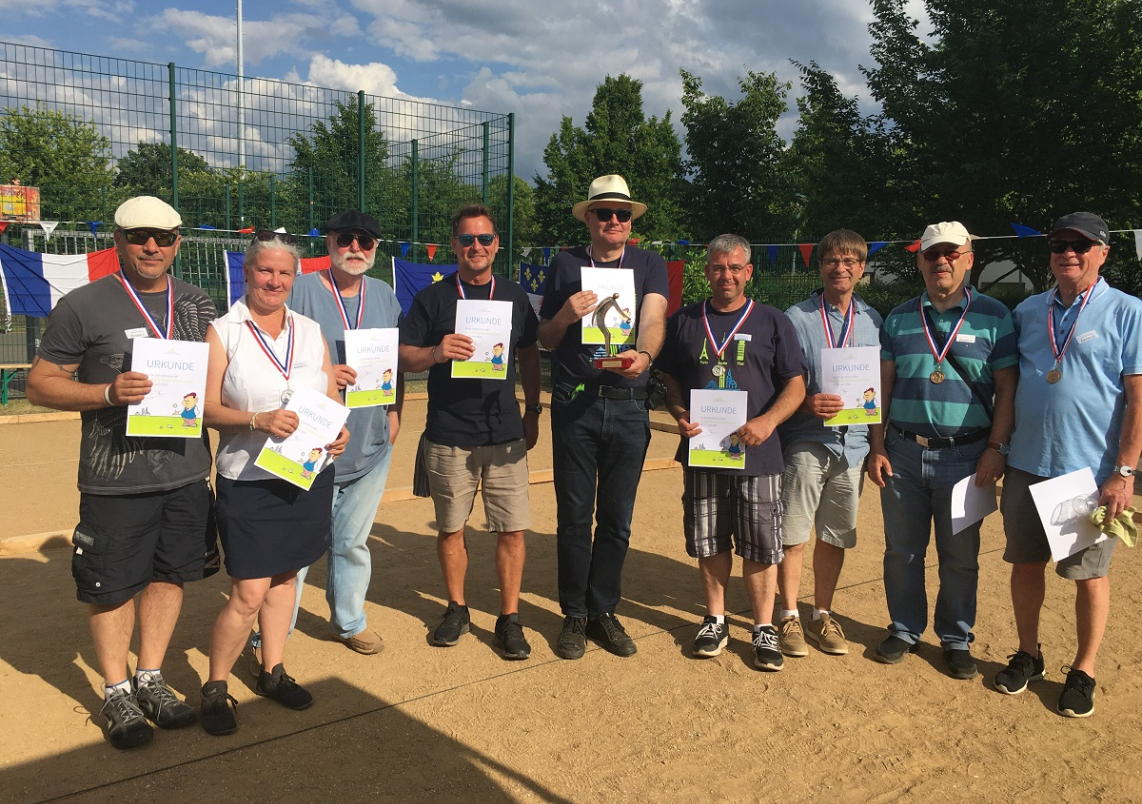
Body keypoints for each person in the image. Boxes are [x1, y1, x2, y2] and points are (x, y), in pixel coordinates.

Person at [26, 196, 218, 749]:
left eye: (162, 236)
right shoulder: (84, 305)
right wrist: (106, 391)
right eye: (138, 236)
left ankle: (150, 677)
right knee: (111, 587)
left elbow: (218, 383)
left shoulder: (200, 304)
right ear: (117, 239)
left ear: (179, 241)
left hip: (185, 472)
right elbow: (40, 383)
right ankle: (116, 690)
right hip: (115, 479)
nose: (150, 246)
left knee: (168, 576)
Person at [198, 233, 349, 735]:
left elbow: (329, 391)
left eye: (285, 273)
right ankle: (216, 686)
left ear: (295, 276)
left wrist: (339, 431)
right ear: (247, 272)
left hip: (305, 475)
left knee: (286, 579)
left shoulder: (309, 330)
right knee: (249, 590)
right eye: (266, 271)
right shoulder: (225, 332)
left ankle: (272, 671)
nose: (275, 281)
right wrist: (257, 420)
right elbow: (204, 407)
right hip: (249, 478)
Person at [993, 212, 1142, 717]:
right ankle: (1028, 653)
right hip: (1027, 462)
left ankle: (1084, 669)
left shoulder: (1127, 311)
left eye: (1081, 245)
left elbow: (1139, 400)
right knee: (1024, 564)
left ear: (1103, 252)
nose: (1068, 253)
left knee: (1088, 576)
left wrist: (1123, 472)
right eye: (1059, 244)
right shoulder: (1029, 311)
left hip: (1088, 474)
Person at [867, 221, 1017, 680]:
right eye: (932, 254)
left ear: (969, 258)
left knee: (960, 557)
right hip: (903, 452)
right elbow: (882, 388)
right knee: (902, 552)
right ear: (920, 262)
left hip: (967, 457)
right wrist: (876, 445)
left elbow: (1008, 392)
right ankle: (905, 629)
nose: (942, 261)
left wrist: (997, 448)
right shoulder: (898, 317)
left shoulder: (995, 316)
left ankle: (955, 637)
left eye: (952, 253)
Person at [398, 204, 541, 660]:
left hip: (504, 432)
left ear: (496, 244)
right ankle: (456, 607)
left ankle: (509, 617)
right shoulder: (434, 299)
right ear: (455, 244)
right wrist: (437, 352)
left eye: (484, 239)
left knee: (512, 530)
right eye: (466, 239)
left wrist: (534, 409)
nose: (475, 247)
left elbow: (529, 354)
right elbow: (404, 356)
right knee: (450, 527)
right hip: (448, 433)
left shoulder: (515, 296)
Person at [658, 234, 806, 670]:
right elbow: (669, 379)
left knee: (761, 544)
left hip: (758, 453)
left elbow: (795, 385)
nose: (726, 275)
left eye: (735, 268)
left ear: (748, 272)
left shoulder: (774, 321)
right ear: (707, 272)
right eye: (718, 268)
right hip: (704, 450)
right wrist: (679, 411)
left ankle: (762, 627)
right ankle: (716, 619)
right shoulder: (684, 320)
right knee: (708, 537)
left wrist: (768, 421)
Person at [538, 174, 669, 659]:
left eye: (622, 214)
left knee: (617, 519)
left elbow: (654, 319)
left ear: (630, 222)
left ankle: (603, 610)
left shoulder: (649, 264)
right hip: (576, 404)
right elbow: (546, 338)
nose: (613, 220)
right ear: (588, 218)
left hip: (629, 404)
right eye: (603, 212)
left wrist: (646, 357)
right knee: (573, 518)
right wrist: (567, 316)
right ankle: (573, 614)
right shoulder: (565, 264)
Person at [286, 210, 403, 655]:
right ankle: (274, 631)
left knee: (353, 542)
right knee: (296, 545)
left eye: (366, 241)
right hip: (312, 439)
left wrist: (395, 414)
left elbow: (391, 361)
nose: (356, 247)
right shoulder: (300, 290)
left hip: (371, 442)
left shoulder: (385, 295)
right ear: (330, 240)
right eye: (346, 238)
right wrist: (324, 372)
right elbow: (276, 353)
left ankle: (349, 621)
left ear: (375, 247)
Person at [776, 229, 882, 658]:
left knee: (835, 534)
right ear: (818, 266)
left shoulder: (875, 321)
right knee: (793, 532)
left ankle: (822, 613)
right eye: (831, 261)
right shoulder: (795, 318)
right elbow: (779, 382)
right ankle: (787, 615)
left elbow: (878, 393)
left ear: (861, 267)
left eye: (850, 261)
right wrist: (806, 405)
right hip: (807, 439)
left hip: (854, 445)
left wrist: (877, 446)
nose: (840, 268)